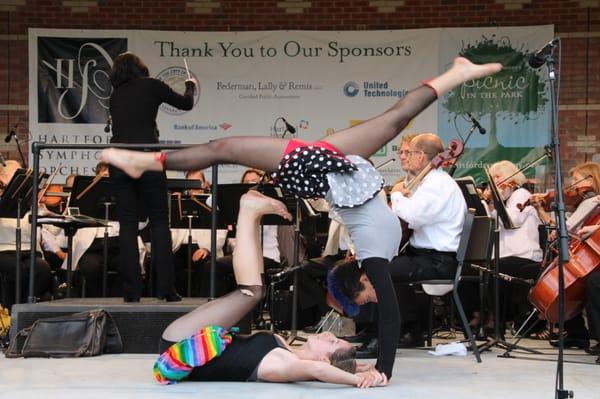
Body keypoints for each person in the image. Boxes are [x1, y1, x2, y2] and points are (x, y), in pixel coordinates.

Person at [102, 57, 503, 378]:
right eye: (370, 298)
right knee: (395, 118)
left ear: (361, 280)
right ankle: (457, 74)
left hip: (323, 167)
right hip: (334, 164)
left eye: (368, 297)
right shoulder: (376, 255)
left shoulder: (370, 254)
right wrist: (383, 369)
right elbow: (393, 315)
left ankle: (146, 162)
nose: (377, 297)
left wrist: (377, 367)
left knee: (225, 147)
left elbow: (388, 310)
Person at [155, 190, 385, 387]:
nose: (329, 334)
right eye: (336, 338)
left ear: (323, 360)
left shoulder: (283, 366)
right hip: (191, 339)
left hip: (179, 348)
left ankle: (248, 210)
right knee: (255, 289)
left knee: (253, 292)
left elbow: (319, 372)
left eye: (333, 343)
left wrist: (356, 381)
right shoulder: (286, 350)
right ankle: (252, 214)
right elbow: (332, 366)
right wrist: (358, 368)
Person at [107, 52, 197, 302]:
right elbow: (185, 104)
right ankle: (165, 289)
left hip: (119, 159)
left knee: (127, 224)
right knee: (159, 221)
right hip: (146, 157)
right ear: (140, 67)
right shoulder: (151, 86)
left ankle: (131, 292)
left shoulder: (116, 94)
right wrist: (190, 87)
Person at [530, 161, 600, 350]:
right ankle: (577, 332)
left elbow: (567, 229)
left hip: (593, 258)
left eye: (577, 180)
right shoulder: (589, 202)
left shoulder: (593, 201)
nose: (574, 186)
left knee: (587, 281)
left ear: (591, 180)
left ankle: (583, 333)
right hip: (589, 255)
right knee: (569, 278)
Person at [480, 160, 543, 332]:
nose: (495, 181)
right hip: (507, 255)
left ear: (510, 177)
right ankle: (484, 316)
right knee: (482, 266)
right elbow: (491, 224)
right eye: (492, 178)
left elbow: (512, 221)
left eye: (498, 177)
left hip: (525, 256)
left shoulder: (521, 194)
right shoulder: (503, 200)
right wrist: (489, 203)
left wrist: (496, 201)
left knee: (495, 267)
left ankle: (496, 320)